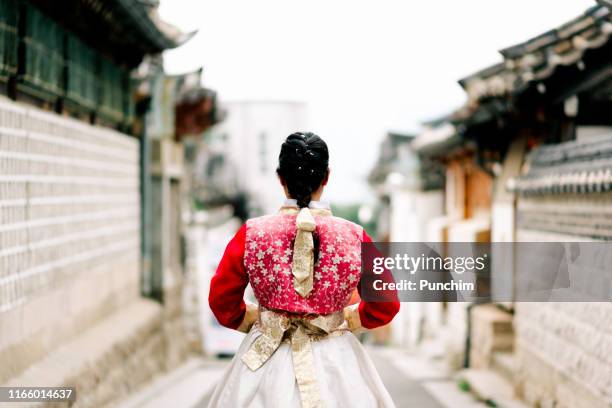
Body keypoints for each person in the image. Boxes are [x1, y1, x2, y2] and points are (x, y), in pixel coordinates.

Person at [207, 132, 400, 408]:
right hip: (335, 359)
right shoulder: (355, 236)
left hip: (266, 358)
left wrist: (262, 321)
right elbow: (386, 304)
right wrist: (343, 319)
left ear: (280, 177)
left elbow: (221, 301)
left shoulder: (252, 233)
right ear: (327, 176)